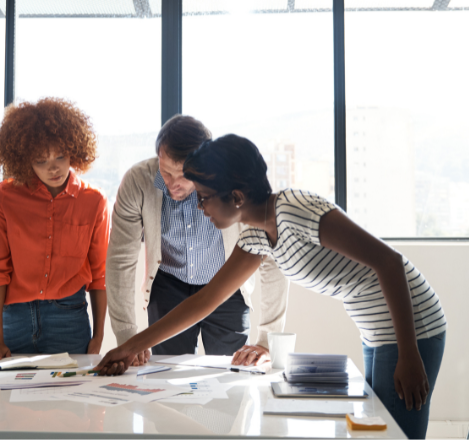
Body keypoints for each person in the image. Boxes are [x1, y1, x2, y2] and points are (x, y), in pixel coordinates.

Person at [97, 134, 446, 439]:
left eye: (203, 197)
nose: (199, 207)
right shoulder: (256, 232)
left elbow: (389, 262)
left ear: (235, 196)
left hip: (411, 327)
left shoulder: (297, 211)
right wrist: (131, 346)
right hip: (377, 330)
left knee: (396, 435)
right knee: (378, 430)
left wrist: (409, 352)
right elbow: (207, 299)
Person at [106, 115, 289, 365]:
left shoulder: (233, 188)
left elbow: (271, 259)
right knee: (165, 377)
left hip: (226, 286)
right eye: (165, 171)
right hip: (168, 285)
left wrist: (267, 339)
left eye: (182, 175)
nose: (172, 184)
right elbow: (120, 261)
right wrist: (127, 335)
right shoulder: (138, 181)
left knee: (230, 379)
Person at [0, 97, 109, 362]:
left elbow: (100, 274)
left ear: (74, 149)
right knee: (8, 401)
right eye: (41, 160)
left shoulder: (93, 201)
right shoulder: (4, 197)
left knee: (71, 400)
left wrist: (98, 334)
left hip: (69, 319)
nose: (53, 168)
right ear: (24, 160)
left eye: (60, 156)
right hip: (14, 318)